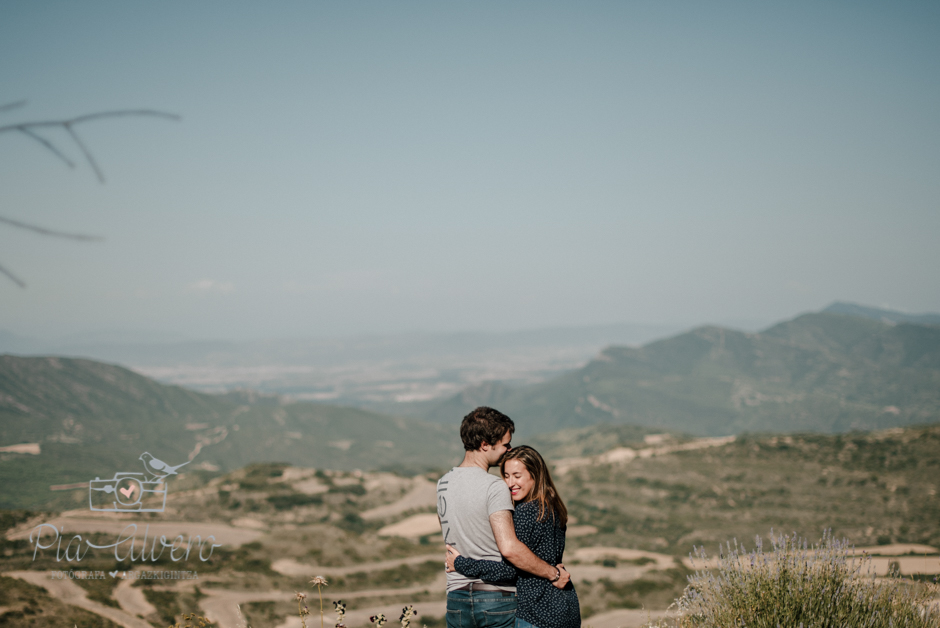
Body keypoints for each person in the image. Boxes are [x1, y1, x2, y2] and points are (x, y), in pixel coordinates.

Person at [438, 407, 570, 628]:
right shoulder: (495, 487)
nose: (508, 450)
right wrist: (554, 574)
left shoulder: (443, 483)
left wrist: (458, 562)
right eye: (505, 444)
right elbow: (509, 548)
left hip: (456, 595)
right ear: (485, 445)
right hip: (495, 596)